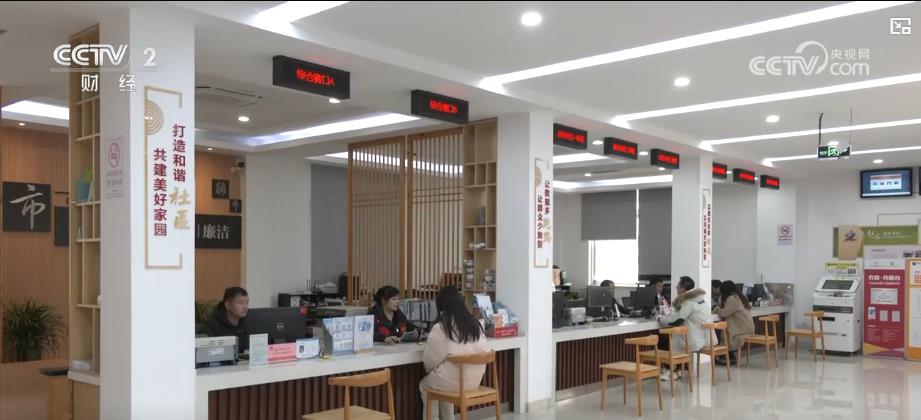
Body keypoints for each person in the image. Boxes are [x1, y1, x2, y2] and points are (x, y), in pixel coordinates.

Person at [420, 286, 488, 420]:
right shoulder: (475, 324)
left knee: (427, 385)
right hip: (474, 381)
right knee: (444, 379)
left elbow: (428, 364)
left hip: (454, 382)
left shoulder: (442, 327)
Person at [658, 276, 715, 381]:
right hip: (703, 336)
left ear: (683, 288)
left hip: (694, 338)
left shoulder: (689, 302)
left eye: (678, 285)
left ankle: (670, 371)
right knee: (676, 339)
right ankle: (678, 370)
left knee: (665, 340)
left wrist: (661, 319)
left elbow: (677, 320)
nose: (676, 287)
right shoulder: (699, 300)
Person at [716, 280, 755, 365]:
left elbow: (724, 313)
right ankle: (731, 357)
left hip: (741, 329)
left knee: (723, 333)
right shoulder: (739, 297)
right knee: (725, 331)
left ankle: (724, 357)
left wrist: (717, 309)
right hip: (746, 327)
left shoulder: (732, 298)